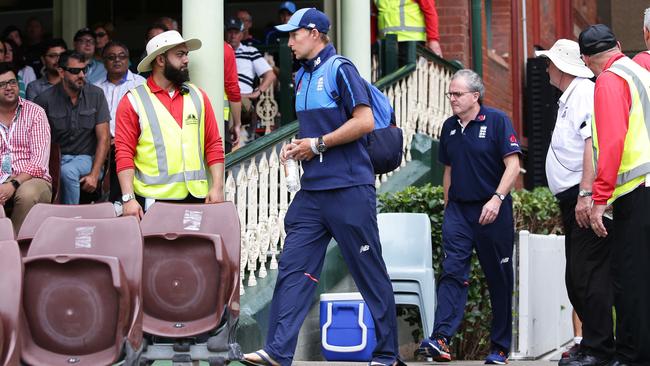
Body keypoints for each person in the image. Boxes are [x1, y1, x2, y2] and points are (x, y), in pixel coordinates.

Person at [242, 8, 402, 366]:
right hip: (313, 192)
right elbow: (318, 130)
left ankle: (388, 354)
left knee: (367, 270)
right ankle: (278, 351)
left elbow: (364, 121)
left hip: (349, 188)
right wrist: (299, 145)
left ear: (314, 33)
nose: (289, 41)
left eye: (294, 34)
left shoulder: (341, 69)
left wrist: (315, 145)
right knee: (292, 267)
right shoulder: (300, 78)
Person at [417, 69, 520, 364]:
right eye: (450, 93)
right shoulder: (448, 127)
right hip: (459, 213)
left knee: (498, 279)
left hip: (492, 211)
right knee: (452, 272)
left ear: (475, 96)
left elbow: (512, 166)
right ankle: (440, 339)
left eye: (457, 94)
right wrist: (448, 205)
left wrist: (497, 199)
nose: (452, 98)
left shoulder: (498, 121)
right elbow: (448, 170)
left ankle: (500, 349)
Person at [536, 39, 614, 366]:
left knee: (586, 275)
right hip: (572, 199)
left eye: (550, 62)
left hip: (582, 197)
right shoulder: (571, 95)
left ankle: (600, 349)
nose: (546, 67)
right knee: (577, 277)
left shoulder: (582, 92)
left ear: (564, 66)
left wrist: (585, 194)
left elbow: (592, 141)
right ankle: (592, 344)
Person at [580, 24, 650, 366]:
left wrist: (599, 198)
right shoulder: (640, 71)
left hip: (636, 193)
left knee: (630, 282)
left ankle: (632, 358)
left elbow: (611, 143)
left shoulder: (609, 80)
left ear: (585, 59)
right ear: (619, 45)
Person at [114, 30, 225, 219]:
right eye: (180, 54)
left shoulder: (198, 96)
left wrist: (217, 187)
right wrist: (128, 198)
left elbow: (213, 144)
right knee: (155, 249)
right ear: (160, 60)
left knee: (195, 249)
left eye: (186, 54)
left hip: (196, 197)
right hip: (153, 200)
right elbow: (124, 152)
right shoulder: (133, 100)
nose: (186, 60)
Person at [34, 50, 110, 205]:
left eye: (85, 70)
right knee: (62, 171)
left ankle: (71, 216)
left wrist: (95, 174)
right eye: (75, 71)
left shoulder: (96, 95)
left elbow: (104, 138)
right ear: (61, 72)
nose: (82, 75)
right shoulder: (44, 99)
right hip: (55, 160)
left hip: (87, 159)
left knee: (68, 171)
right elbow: (37, 139)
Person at [0, 63, 51, 233]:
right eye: (2, 84)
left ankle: (15, 245)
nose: (9, 88)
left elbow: (39, 162)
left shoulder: (35, 112)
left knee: (27, 194)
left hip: (33, 179)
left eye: (12, 82)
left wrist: (13, 183)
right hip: (1, 178)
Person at [94, 41, 146, 203]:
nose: (117, 60)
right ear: (104, 61)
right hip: (100, 144)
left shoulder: (141, 84)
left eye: (122, 56)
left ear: (128, 59)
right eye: (111, 57)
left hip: (132, 144)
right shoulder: (95, 88)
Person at [226, 18, 276, 139]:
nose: (232, 35)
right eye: (230, 32)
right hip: (223, 95)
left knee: (232, 100)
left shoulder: (250, 51)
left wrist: (257, 92)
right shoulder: (220, 52)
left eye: (236, 32)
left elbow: (270, 74)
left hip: (243, 97)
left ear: (242, 34)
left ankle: (231, 142)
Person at [374, 0, 442, 60]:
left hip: (411, 41)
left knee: (409, 73)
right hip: (386, 42)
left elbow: (429, 10)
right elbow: (373, 16)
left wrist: (433, 40)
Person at [224, 42, 242, 152]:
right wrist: (237, 124)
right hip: (219, 117)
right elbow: (232, 87)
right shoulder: (224, 48)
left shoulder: (185, 45)